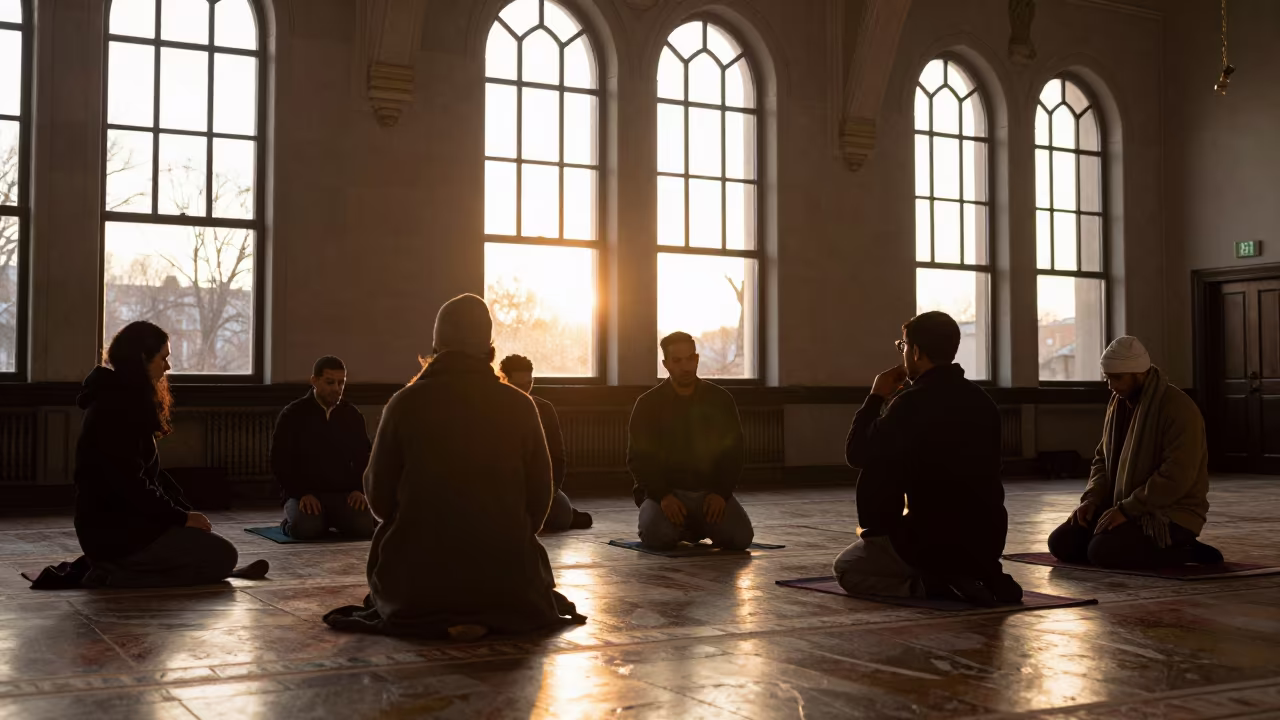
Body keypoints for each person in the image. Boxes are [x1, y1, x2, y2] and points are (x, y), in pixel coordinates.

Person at [324, 294, 584, 639]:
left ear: (436, 344)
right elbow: (539, 505)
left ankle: (443, 611)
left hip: (420, 585)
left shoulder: (406, 403)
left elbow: (379, 501)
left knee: (394, 560)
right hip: (507, 583)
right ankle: (484, 609)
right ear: (488, 346)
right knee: (524, 569)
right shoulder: (520, 406)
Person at [837, 311, 1020, 604]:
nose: (903, 352)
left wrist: (876, 397)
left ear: (917, 350)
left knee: (847, 569)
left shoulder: (912, 403)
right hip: (988, 536)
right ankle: (978, 574)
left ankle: (936, 585)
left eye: (903, 346)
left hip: (934, 538)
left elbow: (857, 453)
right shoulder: (981, 400)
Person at [73, 321, 268, 588]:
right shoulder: (115, 408)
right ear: (143, 358)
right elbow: (129, 484)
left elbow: (147, 476)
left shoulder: (120, 399)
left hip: (119, 526)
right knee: (223, 555)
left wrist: (182, 512)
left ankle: (119, 569)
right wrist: (179, 518)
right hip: (115, 533)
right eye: (163, 358)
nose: (168, 367)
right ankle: (116, 575)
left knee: (208, 546)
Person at [1047, 336, 1223, 569]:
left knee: (1102, 552)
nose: (1111, 386)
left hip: (1167, 514)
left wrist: (1127, 510)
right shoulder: (1118, 404)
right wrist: (1092, 500)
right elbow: (1102, 460)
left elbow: (1176, 477)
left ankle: (1186, 550)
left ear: (1140, 373)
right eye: (1107, 378)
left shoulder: (1179, 409)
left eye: (1117, 378)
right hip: (1123, 505)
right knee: (1062, 543)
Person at [627, 332, 753, 551]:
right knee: (657, 537)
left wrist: (721, 493)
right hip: (666, 495)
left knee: (740, 538)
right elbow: (639, 460)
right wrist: (662, 496)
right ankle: (684, 527)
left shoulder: (720, 399)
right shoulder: (648, 404)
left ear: (696, 359)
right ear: (666, 364)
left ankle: (694, 527)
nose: (685, 367)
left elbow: (734, 453)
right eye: (677, 361)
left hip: (708, 493)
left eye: (689, 359)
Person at [271, 356, 377, 540]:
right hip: (304, 494)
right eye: (330, 382)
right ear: (314, 381)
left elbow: (364, 457)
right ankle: (290, 522)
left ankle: (329, 520)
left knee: (364, 528)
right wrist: (301, 493)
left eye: (341, 383)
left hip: (342, 493)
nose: (336, 389)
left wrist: (359, 490)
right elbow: (280, 461)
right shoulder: (293, 414)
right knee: (306, 530)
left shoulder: (352, 415)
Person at [499, 354, 593, 531]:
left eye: (529, 384)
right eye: (517, 386)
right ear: (503, 380)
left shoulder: (544, 409)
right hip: (504, 484)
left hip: (537, 484)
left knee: (561, 516)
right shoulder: (492, 409)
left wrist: (549, 490)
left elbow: (558, 457)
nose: (525, 391)